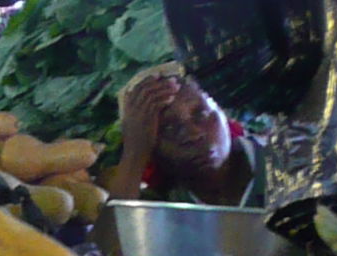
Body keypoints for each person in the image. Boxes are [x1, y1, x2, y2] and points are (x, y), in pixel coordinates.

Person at [106, 64, 253, 205]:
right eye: (169, 128)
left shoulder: (273, 158)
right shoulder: (159, 208)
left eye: (201, 114)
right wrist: (134, 154)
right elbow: (114, 229)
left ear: (221, 111)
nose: (193, 134)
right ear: (151, 150)